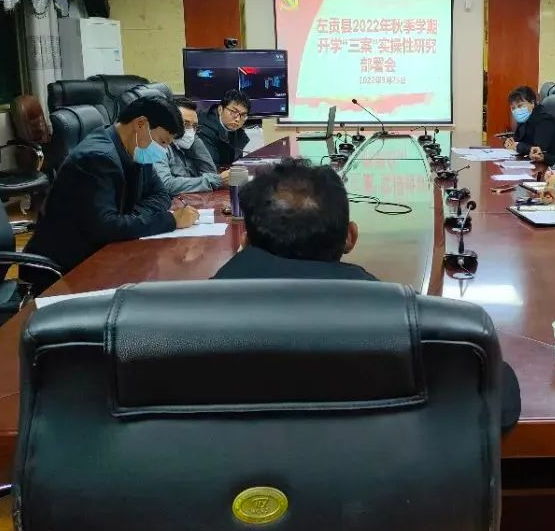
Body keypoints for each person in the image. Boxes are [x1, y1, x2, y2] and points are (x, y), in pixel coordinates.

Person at [215, 158, 521, 431]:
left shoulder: (195, 315)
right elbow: (499, 400)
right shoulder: (403, 319)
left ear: (245, 240)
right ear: (351, 237)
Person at [23, 95, 199, 282]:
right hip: (65, 271)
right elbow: (106, 228)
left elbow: (161, 195)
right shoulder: (97, 158)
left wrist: (127, 220)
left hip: (102, 255)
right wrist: (170, 220)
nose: (163, 150)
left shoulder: (137, 149)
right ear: (140, 124)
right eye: (163, 141)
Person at [155, 97, 230, 197]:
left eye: (194, 126)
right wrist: (216, 180)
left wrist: (194, 137)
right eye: (185, 124)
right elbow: (166, 185)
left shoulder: (188, 145)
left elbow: (210, 172)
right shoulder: (156, 146)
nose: (190, 131)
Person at [503, 85, 555, 165]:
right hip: (534, 162)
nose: (517, 110)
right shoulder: (525, 118)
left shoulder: (545, 121)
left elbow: (537, 150)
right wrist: (510, 142)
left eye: (520, 106)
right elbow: (519, 139)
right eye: (513, 108)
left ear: (532, 103)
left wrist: (517, 146)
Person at [198, 89, 251, 169]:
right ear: (220, 109)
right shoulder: (204, 130)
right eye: (233, 112)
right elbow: (210, 169)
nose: (237, 119)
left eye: (243, 115)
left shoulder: (237, 133)